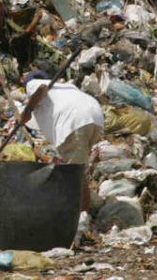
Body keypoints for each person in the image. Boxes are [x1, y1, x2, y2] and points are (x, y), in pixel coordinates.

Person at [17, 70, 105, 211]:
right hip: (95, 118)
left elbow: (40, 90)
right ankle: (83, 212)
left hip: (74, 121)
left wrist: (26, 113)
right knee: (78, 170)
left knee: (75, 173)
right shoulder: (65, 88)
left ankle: (81, 216)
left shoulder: (35, 83)